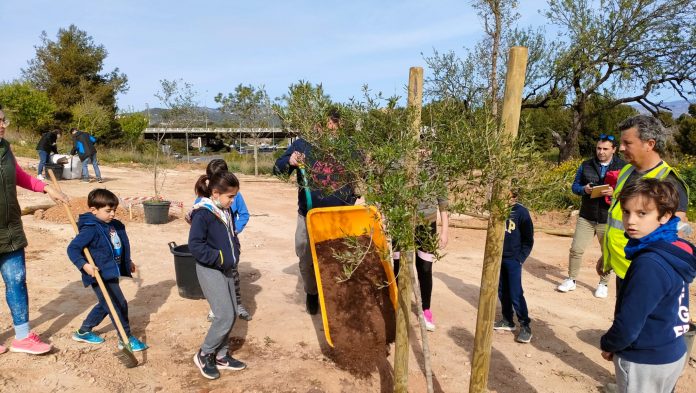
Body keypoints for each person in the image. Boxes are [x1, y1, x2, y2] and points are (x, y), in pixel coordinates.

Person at [600, 178, 694, 393]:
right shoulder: (675, 247)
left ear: (665, 216)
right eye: (626, 212)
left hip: (645, 359)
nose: (630, 221)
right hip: (672, 349)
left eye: (642, 213)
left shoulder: (649, 263)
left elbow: (628, 324)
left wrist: (608, 344)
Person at [273, 108, 358, 315]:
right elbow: (277, 169)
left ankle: (336, 295)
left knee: (340, 259)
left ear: (340, 126)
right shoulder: (303, 145)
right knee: (305, 256)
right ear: (318, 125)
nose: (330, 129)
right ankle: (312, 293)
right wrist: (289, 161)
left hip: (341, 216)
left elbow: (364, 176)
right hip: (309, 215)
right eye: (326, 124)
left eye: (335, 125)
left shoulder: (351, 148)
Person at [0, 109, 69, 355]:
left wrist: (46, 188)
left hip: (9, 228)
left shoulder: (5, 148)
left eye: (3, 120)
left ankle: (22, 337)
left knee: (17, 281)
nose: (2, 125)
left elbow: (17, 175)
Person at [597, 115, 689, 297]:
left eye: (627, 143)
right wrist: (607, 257)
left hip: (647, 274)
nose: (621, 148)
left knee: (637, 323)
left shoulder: (668, 181)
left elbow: (677, 234)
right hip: (624, 266)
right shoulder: (626, 171)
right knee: (624, 319)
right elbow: (617, 218)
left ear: (650, 144)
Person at [66, 189, 148, 350]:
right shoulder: (90, 228)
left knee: (106, 303)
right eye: (108, 211)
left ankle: (83, 331)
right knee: (118, 303)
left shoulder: (113, 226)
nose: (112, 214)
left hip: (111, 271)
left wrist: (127, 261)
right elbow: (73, 249)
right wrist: (84, 265)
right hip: (98, 274)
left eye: (114, 210)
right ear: (93, 210)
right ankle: (125, 338)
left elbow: (118, 246)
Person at [189, 171, 247, 380]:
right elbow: (195, 246)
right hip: (210, 269)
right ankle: (205, 353)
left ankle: (221, 355)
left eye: (234, 196)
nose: (233, 201)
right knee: (224, 315)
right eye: (230, 196)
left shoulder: (226, 211)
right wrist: (221, 258)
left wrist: (235, 253)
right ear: (215, 193)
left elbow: (232, 236)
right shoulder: (203, 213)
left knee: (231, 312)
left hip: (226, 268)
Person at [557, 135, 626, 298]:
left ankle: (603, 283)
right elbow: (575, 187)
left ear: (614, 150)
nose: (601, 152)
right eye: (598, 148)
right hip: (587, 216)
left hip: (608, 217)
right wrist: (584, 189)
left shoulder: (624, 167)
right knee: (576, 249)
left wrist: (615, 193)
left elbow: (630, 192)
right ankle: (571, 280)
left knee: (607, 253)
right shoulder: (586, 165)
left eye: (605, 149)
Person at [392, 159, 449, 331]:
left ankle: (425, 310)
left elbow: (443, 199)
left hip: (426, 224)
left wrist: (444, 230)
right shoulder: (397, 160)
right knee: (399, 266)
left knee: (424, 268)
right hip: (401, 221)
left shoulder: (435, 164)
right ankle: (398, 307)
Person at [202, 159, 252, 321]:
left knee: (233, 276)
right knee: (215, 280)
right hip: (212, 247)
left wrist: (234, 230)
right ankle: (215, 308)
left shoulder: (235, 195)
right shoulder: (204, 199)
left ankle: (237, 304)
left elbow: (243, 214)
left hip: (230, 245)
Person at [493, 188, 534, 343]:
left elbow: (528, 239)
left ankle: (525, 325)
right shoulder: (497, 210)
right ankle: (507, 319)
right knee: (502, 290)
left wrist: (520, 258)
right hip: (499, 258)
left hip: (513, 259)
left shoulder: (521, 212)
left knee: (516, 292)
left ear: (514, 196)